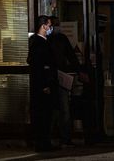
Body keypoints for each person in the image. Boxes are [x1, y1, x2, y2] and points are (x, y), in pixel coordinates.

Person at [48, 16, 83, 147]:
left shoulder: (61, 38)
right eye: (54, 24)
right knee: (55, 109)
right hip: (51, 77)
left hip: (61, 76)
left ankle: (65, 137)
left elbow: (71, 55)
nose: (57, 26)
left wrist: (78, 71)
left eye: (58, 24)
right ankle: (52, 137)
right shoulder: (46, 39)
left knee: (64, 108)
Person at [27, 15, 58, 152]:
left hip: (42, 85)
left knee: (44, 115)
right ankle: (43, 143)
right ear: (44, 26)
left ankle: (44, 142)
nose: (51, 28)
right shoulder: (39, 43)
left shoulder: (38, 42)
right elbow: (39, 66)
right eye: (49, 25)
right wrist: (45, 85)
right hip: (43, 86)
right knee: (44, 115)